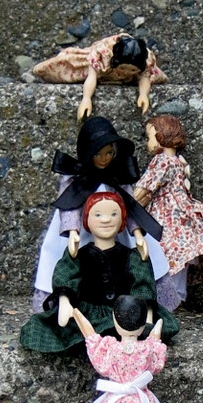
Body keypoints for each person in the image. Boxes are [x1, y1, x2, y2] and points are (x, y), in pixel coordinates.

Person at [31, 115, 169, 312]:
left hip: (116, 229)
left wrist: (137, 233)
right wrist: (72, 231)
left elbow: (130, 206)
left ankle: (135, 303)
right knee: (66, 261)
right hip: (81, 233)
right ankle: (70, 303)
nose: (104, 159)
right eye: (98, 154)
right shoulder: (76, 178)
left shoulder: (117, 175)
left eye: (109, 153)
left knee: (131, 263)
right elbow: (70, 206)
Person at [21, 192, 179, 355]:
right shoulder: (79, 255)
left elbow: (142, 285)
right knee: (43, 329)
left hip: (125, 314)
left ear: (123, 219)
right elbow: (65, 276)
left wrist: (146, 315)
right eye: (98, 215)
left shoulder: (132, 257)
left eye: (114, 214)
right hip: (88, 313)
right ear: (86, 220)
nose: (106, 220)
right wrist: (65, 302)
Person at [133, 114, 203, 311]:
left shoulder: (161, 160)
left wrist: (128, 203)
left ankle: (167, 298)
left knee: (165, 253)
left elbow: (144, 188)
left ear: (162, 135)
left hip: (167, 214)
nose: (148, 143)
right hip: (180, 213)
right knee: (177, 258)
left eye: (150, 137)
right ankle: (176, 297)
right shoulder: (176, 161)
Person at [32, 31, 167, 119]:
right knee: (60, 67)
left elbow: (144, 77)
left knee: (156, 78)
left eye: (132, 70)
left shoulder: (146, 60)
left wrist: (143, 94)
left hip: (130, 70)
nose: (126, 72)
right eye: (123, 68)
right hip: (100, 68)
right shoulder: (102, 54)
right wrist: (86, 98)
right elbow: (91, 76)